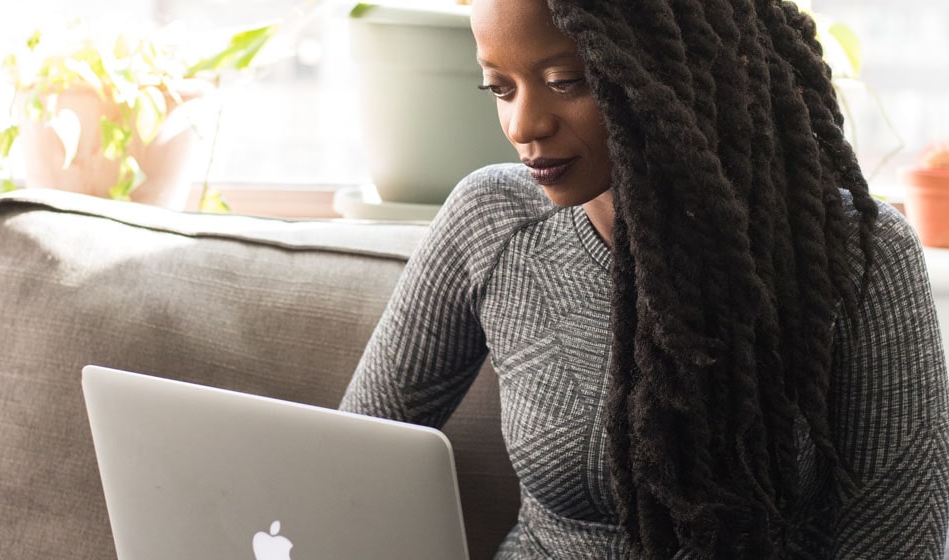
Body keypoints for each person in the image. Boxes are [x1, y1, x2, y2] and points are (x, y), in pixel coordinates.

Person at [340, 0, 949, 557]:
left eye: (565, 82)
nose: (524, 126)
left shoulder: (858, 255)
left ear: (680, 69)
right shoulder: (490, 220)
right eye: (499, 88)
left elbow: (896, 539)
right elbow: (350, 455)